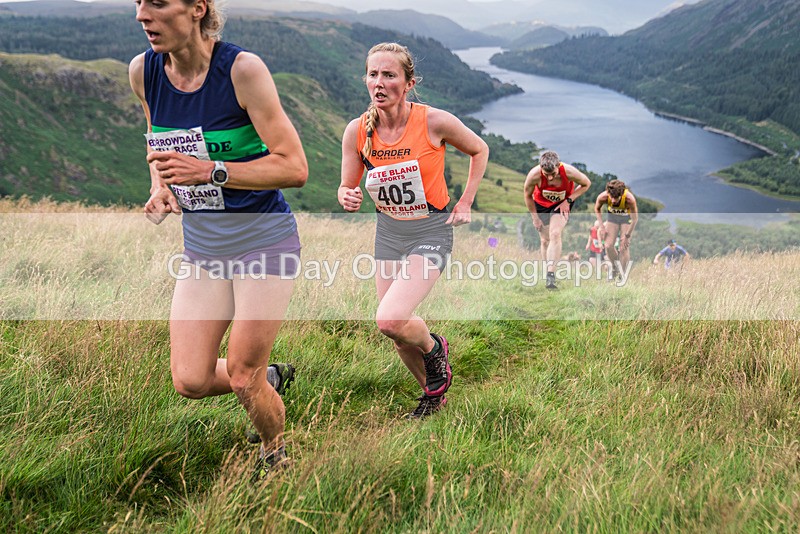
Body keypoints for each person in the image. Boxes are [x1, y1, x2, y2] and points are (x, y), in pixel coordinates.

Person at [129, 0, 308, 479]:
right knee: (189, 379)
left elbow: (294, 167)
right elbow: (158, 142)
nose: (144, 15)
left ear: (196, 9)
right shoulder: (143, 72)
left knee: (243, 375)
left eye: (158, 3)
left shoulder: (242, 71)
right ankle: (268, 379)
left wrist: (212, 171)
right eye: (139, 3)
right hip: (203, 248)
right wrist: (161, 188)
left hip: (263, 241)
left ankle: (275, 453)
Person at [338, 42, 488, 419]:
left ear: (408, 83)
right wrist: (347, 195)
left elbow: (479, 149)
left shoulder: (433, 121)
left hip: (431, 231)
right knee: (396, 330)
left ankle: (436, 348)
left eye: (389, 75)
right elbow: (348, 184)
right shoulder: (357, 131)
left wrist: (466, 201)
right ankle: (434, 397)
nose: (379, 82)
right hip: (388, 232)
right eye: (373, 74)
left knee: (389, 318)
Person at [523, 150, 591, 289]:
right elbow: (527, 195)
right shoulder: (534, 175)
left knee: (555, 233)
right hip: (541, 205)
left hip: (562, 204)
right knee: (544, 240)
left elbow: (586, 184)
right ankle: (547, 270)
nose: (549, 178)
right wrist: (535, 218)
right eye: (546, 175)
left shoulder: (569, 172)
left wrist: (568, 200)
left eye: (553, 174)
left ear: (558, 166)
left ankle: (550, 276)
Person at [594, 179, 638, 279]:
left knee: (623, 247)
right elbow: (597, 208)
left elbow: (635, 219)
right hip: (612, 217)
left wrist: (627, 236)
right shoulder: (603, 197)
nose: (613, 200)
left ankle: (622, 275)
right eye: (611, 197)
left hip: (626, 218)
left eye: (616, 198)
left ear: (622, 194)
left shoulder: (629, 199)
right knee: (608, 245)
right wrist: (601, 227)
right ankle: (614, 268)